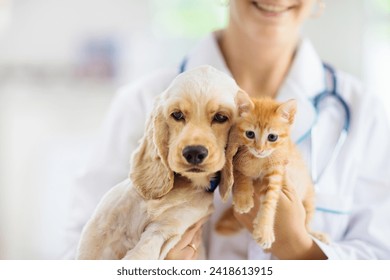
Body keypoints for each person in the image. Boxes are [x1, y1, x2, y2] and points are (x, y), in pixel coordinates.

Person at [63, 0, 390, 259]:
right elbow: (78, 249)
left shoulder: (364, 113)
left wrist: (300, 251)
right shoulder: (140, 103)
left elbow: (380, 256)